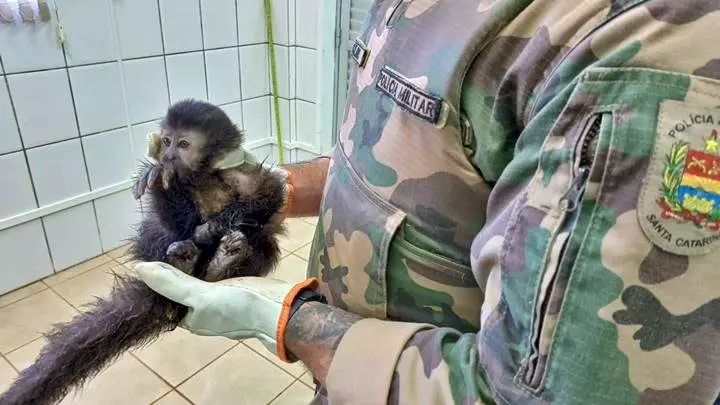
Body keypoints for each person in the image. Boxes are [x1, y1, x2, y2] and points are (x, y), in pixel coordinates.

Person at [134, 0, 720, 403]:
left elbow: (540, 393)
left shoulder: (637, 49)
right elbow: (394, 156)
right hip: (348, 377)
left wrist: (286, 321)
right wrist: (256, 192)